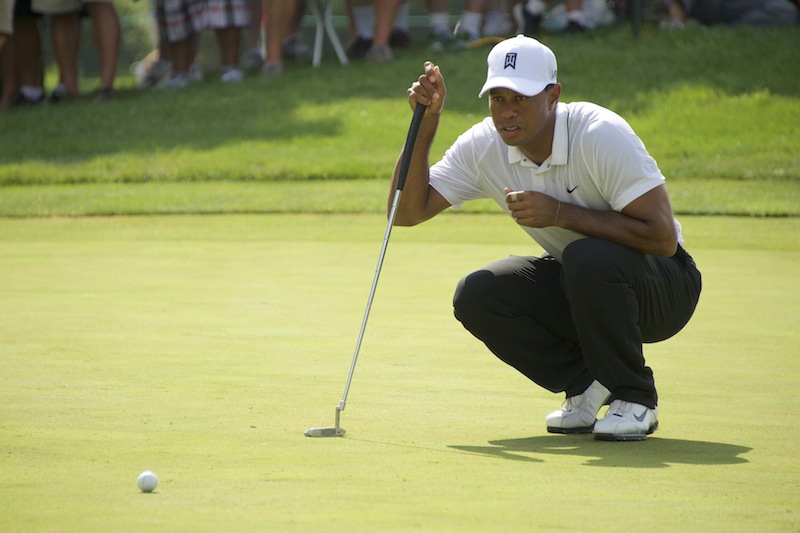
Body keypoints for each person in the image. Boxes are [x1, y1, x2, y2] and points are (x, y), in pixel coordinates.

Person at [393, 35, 702, 441]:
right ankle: (586, 383)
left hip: (665, 286)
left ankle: (636, 397)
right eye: (498, 98)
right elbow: (405, 211)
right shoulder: (484, 145)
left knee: (585, 257)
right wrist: (427, 121)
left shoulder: (599, 132)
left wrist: (559, 214)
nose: (507, 112)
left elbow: (662, 238)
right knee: (478, 293)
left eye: (520, 98)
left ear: (553, 94)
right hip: (584, 284)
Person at [662, 0, 799, 27]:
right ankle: (676, 20)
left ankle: (727, 27)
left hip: (749, 8)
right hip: (707, 5)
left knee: (787, 13)